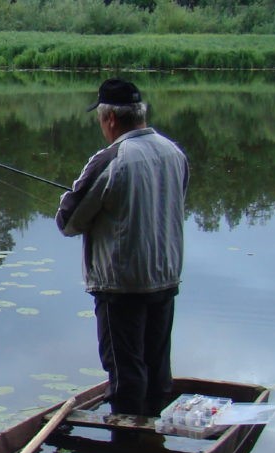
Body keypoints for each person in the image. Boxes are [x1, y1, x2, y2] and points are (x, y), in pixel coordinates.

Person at [55, 78, 189, 417]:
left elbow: (68, 222)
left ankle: (128, 451)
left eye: (100, 119)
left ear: (111, 119)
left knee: (126, 374)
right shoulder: (175, 153)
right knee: (157, 371)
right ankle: (152, 446)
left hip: (122, 287)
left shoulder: (111, 159)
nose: (102, 127)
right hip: (165, 278)